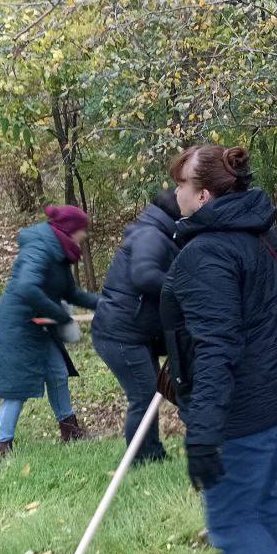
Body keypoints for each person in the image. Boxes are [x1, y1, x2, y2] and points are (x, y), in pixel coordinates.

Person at [160, 144, 277, 554]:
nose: (174, 192)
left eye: (182, 184)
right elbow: (240, 314)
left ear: (204, 196)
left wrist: (203, 433)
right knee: (267, 491)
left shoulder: (206, 253)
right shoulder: (256, 227)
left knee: (230, 522)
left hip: (251, 406)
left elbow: (218, 346)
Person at [0, 205, 99, 457]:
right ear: (71, 229)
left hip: (42, 326)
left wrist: (104, 303)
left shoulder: (59, 252)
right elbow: (27, 287)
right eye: (82, 229)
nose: (84, 235)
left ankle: (70, 431)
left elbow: (71, 292)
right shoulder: (40, 247)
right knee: (16, 388)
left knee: (57, 373)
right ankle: (3, 448)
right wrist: (59, 315)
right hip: (18, 327)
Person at [92, 189, 181, 465]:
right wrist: (182, 289)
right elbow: (144, 275)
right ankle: (142, 458)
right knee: (143, 395)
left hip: (133, 332)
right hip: (120, 334)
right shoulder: (151, 235)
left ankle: (152, 453)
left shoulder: (156, 232)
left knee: (149, 393)